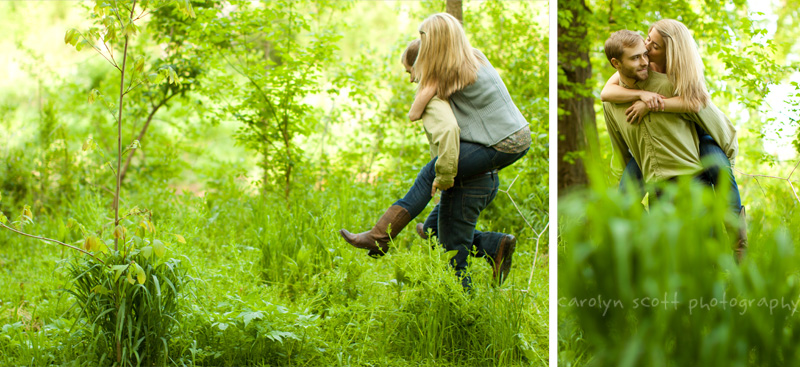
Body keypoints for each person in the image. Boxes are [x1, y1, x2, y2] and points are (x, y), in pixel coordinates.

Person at [339, 13, 532, 288]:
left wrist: (442, 177)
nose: (411, 78)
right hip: (516, 136)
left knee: (434, 171)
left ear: (436, 44)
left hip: (503, 143)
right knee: (434, 227)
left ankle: (379, 236)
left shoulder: (443, 74)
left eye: (423, 39)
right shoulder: (473, 57)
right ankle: (491, 244)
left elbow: (418, 112)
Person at [602, 29, 747, 262]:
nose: (646, 57)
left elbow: (707, 113)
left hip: (698, 156)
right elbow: (619, 143)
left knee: (720, 167)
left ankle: (739, 245)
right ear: (616, 63)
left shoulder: (675, 85)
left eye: (648, 52)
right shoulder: (611, 100)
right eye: (637, 55)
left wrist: (728, 151)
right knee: (624, 200)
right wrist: (639, 95)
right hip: (651, 174)